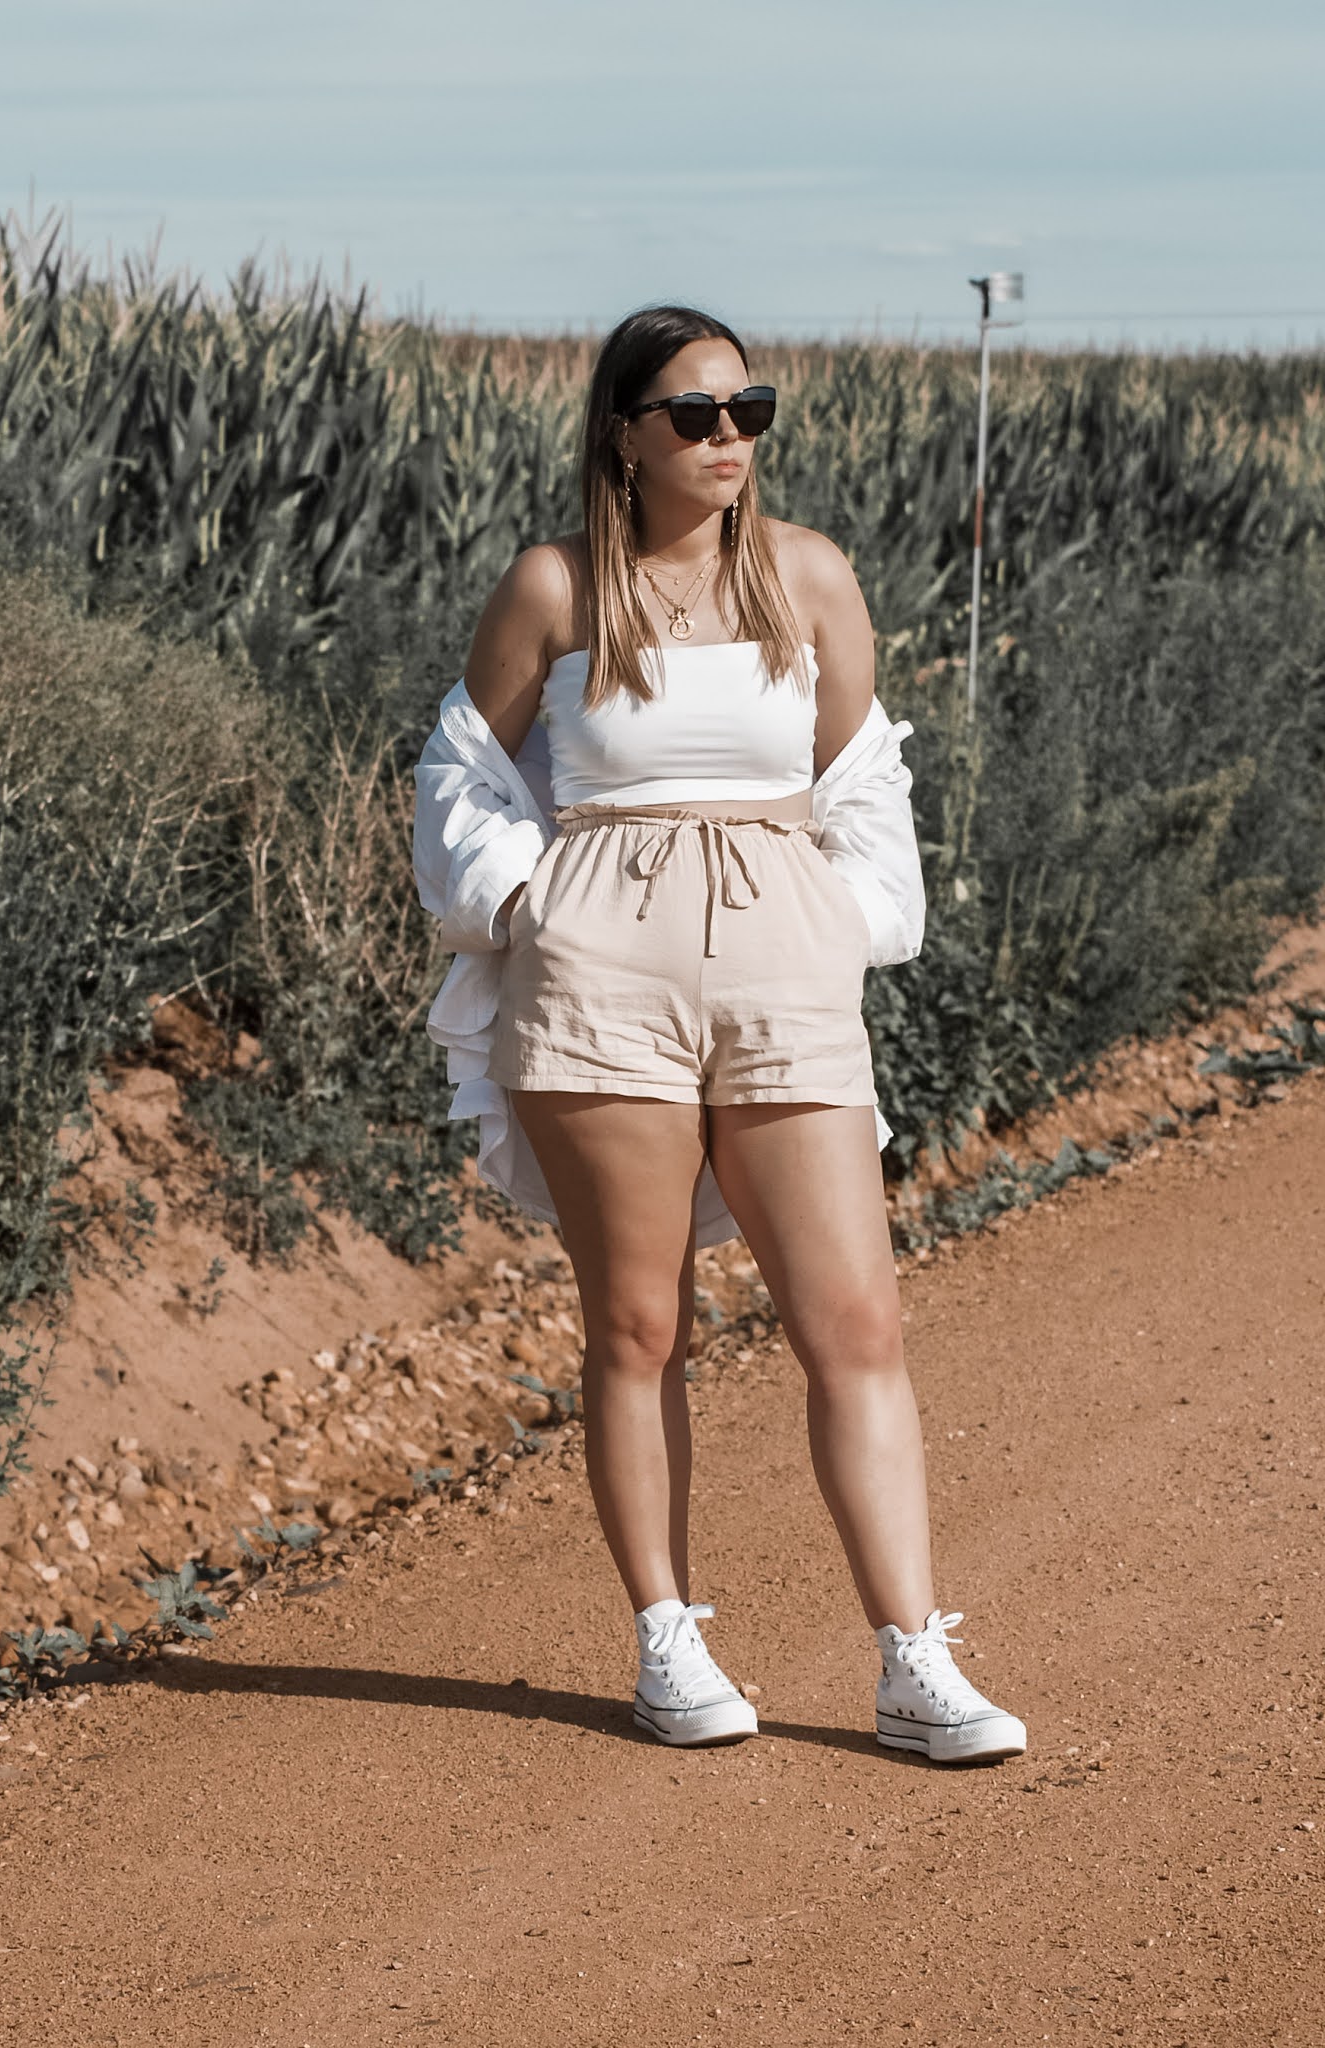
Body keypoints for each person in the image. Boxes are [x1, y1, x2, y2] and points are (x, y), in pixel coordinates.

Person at [412, 303, 1025, 1764]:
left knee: (857, 1320)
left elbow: (865, 773)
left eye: (748, 409)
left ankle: (911, 1660)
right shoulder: (557, 586)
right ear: (624, 431)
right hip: (600, 970)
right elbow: (460, 772)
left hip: (781, 968)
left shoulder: (808, 575)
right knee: (638, 1322)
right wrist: (526, 899)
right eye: (694, 414)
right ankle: (668, 1637)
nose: (729, 437)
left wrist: (848, 916)